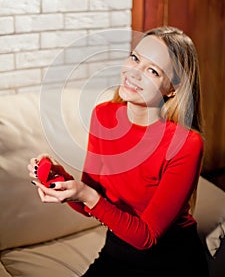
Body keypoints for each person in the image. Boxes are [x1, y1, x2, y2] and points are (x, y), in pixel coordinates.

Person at [28, 26, 209, 276]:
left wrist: (87, 195)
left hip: (170, 261)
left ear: (173, 89)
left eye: (152, 70)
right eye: (135, 58)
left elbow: (147, 237)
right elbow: (92, 200)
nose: (134, 73)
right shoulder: (103, 116)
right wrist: (62, 181)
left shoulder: (187, 143)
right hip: (117, 249)